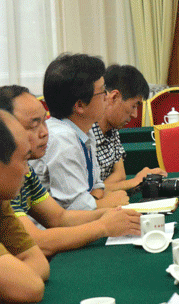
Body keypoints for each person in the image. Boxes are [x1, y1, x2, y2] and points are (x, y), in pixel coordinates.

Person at [0, 87, 139, 257]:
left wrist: (111, 214)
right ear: (6, 129)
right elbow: (37, 242)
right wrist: (102, 226)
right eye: (34, 125)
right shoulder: (7, 178)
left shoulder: (26, 170)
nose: (45, 132)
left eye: (45, 121)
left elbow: (59, 217)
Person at [30, 54, 127, 211]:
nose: (107, 97)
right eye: (103, 91)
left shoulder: (84, 131)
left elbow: (96, 186)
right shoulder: (61, 139)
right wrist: (106, 203)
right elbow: (74, 208)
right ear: (80, 105)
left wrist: (94, 200)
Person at [92, 65, 167, 193]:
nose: (135, 115)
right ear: (114, 97)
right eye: (134, 106)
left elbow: (120, 174)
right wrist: (136, 181)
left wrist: (106, 188)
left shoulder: (113, 128)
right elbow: (88, 193)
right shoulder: (86, 132)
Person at [0, 110, 49, 304]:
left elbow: (39, 263)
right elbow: (30, 287)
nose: (27, 170)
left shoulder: (2, 201)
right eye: (23, 160)